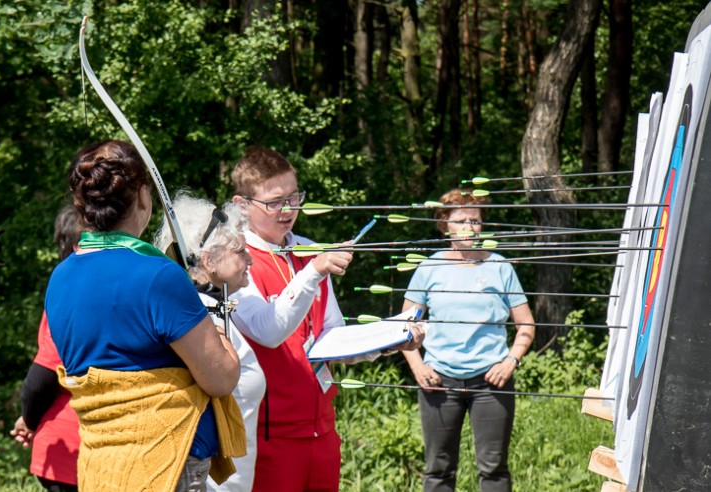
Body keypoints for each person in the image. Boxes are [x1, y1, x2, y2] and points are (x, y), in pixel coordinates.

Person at [44, 140, 245, 491]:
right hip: (165, 466)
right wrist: (219, 336)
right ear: (142, 196)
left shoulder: (59, 278)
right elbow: (220, 378)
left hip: (101, 467)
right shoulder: (158, 276)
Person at [229, 146, 424, 492]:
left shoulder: (309, 249)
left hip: (320, 428)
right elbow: (267, 330)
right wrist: (315, 270)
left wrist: (388, 340)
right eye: (274, 202)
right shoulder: (234, 260)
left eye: (294, 197)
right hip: (267, 434)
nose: (288, 210)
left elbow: (330, 336)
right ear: (242, 204)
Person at [401, 188, 536, 492]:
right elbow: (404, 328)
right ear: (444, 224)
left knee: (493, 468)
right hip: (438, 381)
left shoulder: (500, 266)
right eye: (460, 221)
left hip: (491, 382)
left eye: (474, 221)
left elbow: (526, 324)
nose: (469, 228)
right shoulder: (429, 268)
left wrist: (510, 361)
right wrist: (418, 367)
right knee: (438, 468)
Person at [155, 193, 266, 492]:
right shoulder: (200, 318)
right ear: (208, 260)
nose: (250, 259)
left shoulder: (209, 310)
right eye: (240, 251)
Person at [10, 205, 81, 492]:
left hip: (69, 448)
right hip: (78, 450)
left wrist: (28, 420)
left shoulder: (68, 293)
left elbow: (41, 379)